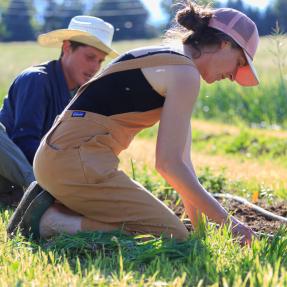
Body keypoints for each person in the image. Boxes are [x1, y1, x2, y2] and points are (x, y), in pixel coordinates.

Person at [8, 2, 260, 245]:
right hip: (76, 162)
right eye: (239, 63)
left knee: (179, 233)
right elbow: (168, 164)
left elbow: (183, 164)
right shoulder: (185, 74)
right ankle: (51, 223)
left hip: (63, 158)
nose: (233, 77)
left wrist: (200, 233)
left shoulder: (172, 58)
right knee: (171, 233)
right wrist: (230, 224)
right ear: (225, 44)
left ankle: (58, 204)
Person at [0, 16, 118, 206]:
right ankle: (45, 197)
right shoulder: (36, 80)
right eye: (89, 58)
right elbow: (25, 141)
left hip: (26, 180)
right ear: (66, 48)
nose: (95, 67)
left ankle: (43, 197)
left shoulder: (79, 97)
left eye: (100, 61)